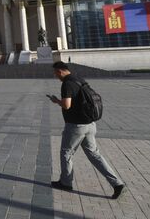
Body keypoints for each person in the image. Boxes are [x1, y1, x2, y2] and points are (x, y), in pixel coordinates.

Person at [48, 61, 125, 199]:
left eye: (55, 73)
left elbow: (66, 105)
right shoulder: (79, 79)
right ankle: (117, 183)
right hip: (90, 124)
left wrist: (56, 101)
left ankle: (66, 182)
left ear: (60, 71)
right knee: (95, 155)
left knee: (66, 153)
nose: (56, 76)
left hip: (76, 126)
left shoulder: (67, 83)